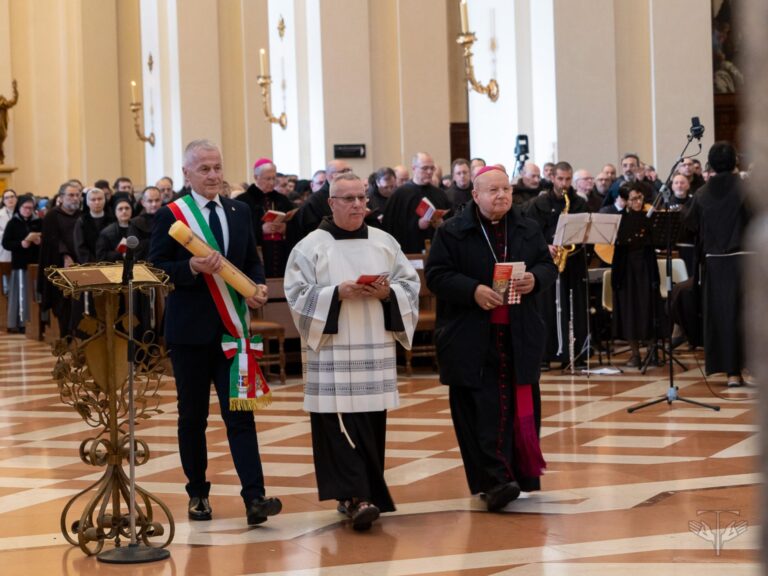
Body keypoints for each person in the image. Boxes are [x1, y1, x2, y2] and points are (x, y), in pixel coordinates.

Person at [149, 139, 281, 525]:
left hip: (233, 333)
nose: (213, 175)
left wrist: (258, 289)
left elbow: (251, 263)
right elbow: (156, 269)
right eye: (204, 169)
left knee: (241, 415)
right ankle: (197, 495)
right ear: (187, 173)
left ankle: (254, 498)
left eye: (217, 168)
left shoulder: (240, 211)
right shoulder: (171, 215)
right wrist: (190, 267)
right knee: (193, 419)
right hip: (188, 335)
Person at [284, 171, 420, 531]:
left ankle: (366, 494)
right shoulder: (310, 245)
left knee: (370, 422)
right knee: (337, 424)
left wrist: (388, 293)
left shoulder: (384, 241)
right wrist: (334, 294)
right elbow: (296, 295)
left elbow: (410, 284)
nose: (359, 205)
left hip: (373, 348)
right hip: (332, 351)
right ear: (331, 203)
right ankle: (355, 496)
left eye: (362, 198)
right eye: (349, 199)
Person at [426, 165, 557, 512]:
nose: (502, 196)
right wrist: (473, 290)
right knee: (480, 412)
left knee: (515, 407)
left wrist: (536, 279)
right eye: (493, 190)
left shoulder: (527, 228)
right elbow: (436, 276)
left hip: (518, 333)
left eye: (506, 190)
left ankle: (515, 477)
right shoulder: (453, 231)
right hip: (472, 336)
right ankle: (493, 482)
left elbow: (547, 265)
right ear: (475, 195)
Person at [684, 141, 752, 387]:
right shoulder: (747, 188)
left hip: (715, 264)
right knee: (747, 315)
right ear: (735, 161)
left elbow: (689, 223)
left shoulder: (702, 193)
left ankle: (732, 373)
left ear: (710, 165)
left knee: (723, 316)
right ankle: (752, 367)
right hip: (746, 260)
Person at [525, 161, 589, 368]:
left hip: (573, 262)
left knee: (574, 308)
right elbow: (530, 233)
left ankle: (574, 354)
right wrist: (545, 246)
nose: (564, 183)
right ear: (552, 178)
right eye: (560, 179)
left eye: (568, 179)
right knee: (546, 309)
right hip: (547, 263)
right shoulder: (538, 204)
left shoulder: (579, 203)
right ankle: (545, 354)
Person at [610, 183, 660, 367]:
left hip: (646, 266)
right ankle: (634, 354)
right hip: (626, 268)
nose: (638, 202)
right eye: (633, 199)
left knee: (649, 306)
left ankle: (652, 351)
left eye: (640, 198)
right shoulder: (619, 220)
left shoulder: (651, 218)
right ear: (625, 201)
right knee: (629, 309)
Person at [381, 152, 451, 254]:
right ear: (414, 168)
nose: (429, 171)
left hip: (437, 250)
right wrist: (416, 224)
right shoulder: (400, 195)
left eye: (432, 168)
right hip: (409, 251)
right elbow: (391, 226)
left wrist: (442, 224)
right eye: (425, 168)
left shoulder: (440, 194)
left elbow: (451, 221)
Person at [238, 158, 296, 277]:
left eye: (274, 178)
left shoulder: (282, 199)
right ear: (256, 177)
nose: (272, 182)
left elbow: (297, 225)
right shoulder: (242, 201)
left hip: (282, 254)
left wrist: (285, 228)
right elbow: (238, 231)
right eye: (268, 178)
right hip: (258, 254)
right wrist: (261, 230)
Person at [38, 182, 82, 338]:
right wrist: (65, 255)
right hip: (58, 265)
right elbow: (52, 239)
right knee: (62, 303)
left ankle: (78, 334)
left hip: (81, 265)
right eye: (71, 195)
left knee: (79, 303)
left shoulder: (81, 215)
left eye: (77, 195)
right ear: (61, 197)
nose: (75, 198)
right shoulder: (52, 215)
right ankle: (66, 336)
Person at [2, 195, 41, 333]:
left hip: (35, 264)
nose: (28, 211)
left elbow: (47, 240)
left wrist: (39, 242)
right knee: (21, 293)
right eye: (25, 207)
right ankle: (20, 322)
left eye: (30, 208)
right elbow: (6, 243)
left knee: (35, 293)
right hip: (19, 264)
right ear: (20, 208)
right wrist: (21, 243)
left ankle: (35, 322)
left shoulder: (37, 222)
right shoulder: (13, 223)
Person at [96, 195, 133, 262]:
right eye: (120, 209)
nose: (124, 211)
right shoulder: (106, 232)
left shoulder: (139, 228)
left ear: (131, 210)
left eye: (127, 208)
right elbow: (101, 255)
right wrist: (121, 254)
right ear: (115, 212)